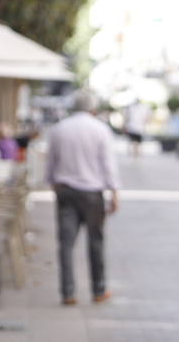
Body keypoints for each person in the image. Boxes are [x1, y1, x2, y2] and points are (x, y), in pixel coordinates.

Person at [45, 90, 119, 306]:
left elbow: (51, 161)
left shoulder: (59, 129)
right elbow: (108, 164)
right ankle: (98, 289)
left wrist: (52, 183)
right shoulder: (100, 129)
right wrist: (114, 191)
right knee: (95, 242)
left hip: (66, 190)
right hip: (92, 193)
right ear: (92, 108)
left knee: (66, 243)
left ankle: (68, 293)